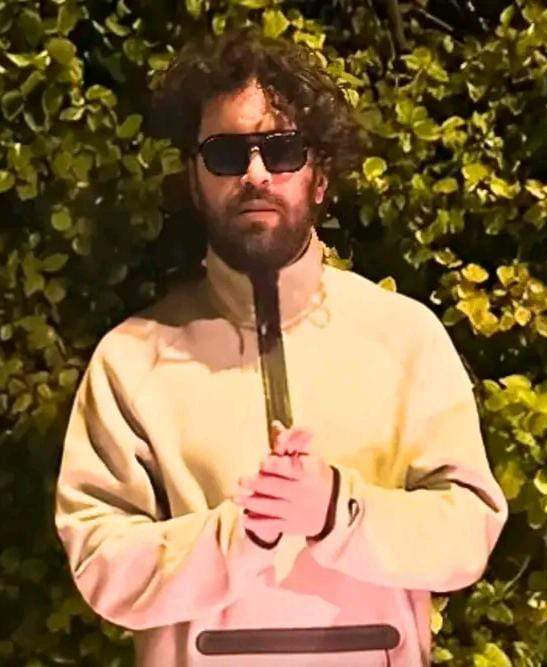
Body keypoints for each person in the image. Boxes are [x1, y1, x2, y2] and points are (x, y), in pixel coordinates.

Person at [53, 25, 508, 667]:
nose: (256, 173)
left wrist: (336, 509)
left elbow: (467, 534)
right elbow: (101, 562)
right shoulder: (131, 360)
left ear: (320, 177)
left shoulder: (407, 338)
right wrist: (241, 534)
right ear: (194, 180)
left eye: (284, 150)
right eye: (226, 155)